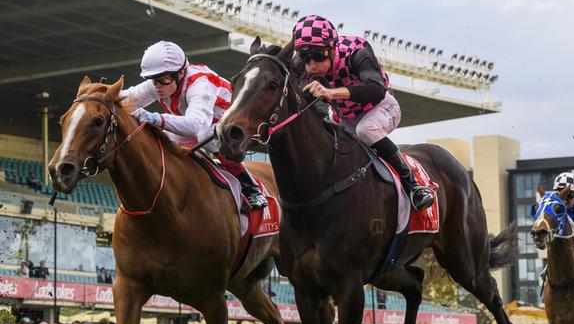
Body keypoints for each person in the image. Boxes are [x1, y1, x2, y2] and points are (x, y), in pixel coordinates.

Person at [292, 15, 434, 211]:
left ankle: (414, 186)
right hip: (343, 117)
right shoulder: (303, 64)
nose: (312, 65)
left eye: (318, 56)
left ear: (333, 49)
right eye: (306, 58)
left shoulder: (356, 52)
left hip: (380, 107)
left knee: (366, 129)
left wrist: (331, 93)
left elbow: (376, 90)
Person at [121, 40, 267, 211]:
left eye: (164, 79)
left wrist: (153, 117)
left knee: (205, 135)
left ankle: (250, 188)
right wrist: (95, 96)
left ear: (181, 73)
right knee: (166, 139)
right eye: (153, 80)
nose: (158, 86)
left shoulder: (200, 83)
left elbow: (195, 126)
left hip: (231, 126)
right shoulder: (161, 82)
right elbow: (126, 98)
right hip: (198, 122)